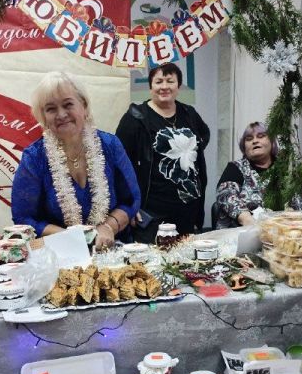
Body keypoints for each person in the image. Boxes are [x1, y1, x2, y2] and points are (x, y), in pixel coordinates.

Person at [11, 71, 140, 250]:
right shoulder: (34, 157)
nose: (61, 114)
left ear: (84, 106)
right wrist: (71, 237)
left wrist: (108, 227)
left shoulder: (110, 145)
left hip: (113, 251)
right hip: (59, 254)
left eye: (68, 104)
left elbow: (131, 200)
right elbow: (23, 218)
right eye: (51, 109)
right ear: (43, 116)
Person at [116, 62, 210, 243]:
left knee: (185, 256)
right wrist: (129, 204)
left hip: (188, 207)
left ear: (178, 86)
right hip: (152, 210)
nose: (164, 86)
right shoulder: (136, 117)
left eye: (170, 81)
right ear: (150, 87)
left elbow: (204, 135)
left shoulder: (189, 113)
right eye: (159, 82)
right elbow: (120, 164)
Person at [214, 122, 302, 228]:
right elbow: (225, 194)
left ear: (272, 142)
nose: (255, 141)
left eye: (261, 136)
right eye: (249, 139)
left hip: (288, 229)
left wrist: (290, 215)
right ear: (244, 146)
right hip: (243, 232)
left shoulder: (290, 166)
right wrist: (246, 218)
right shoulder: (235, 167)